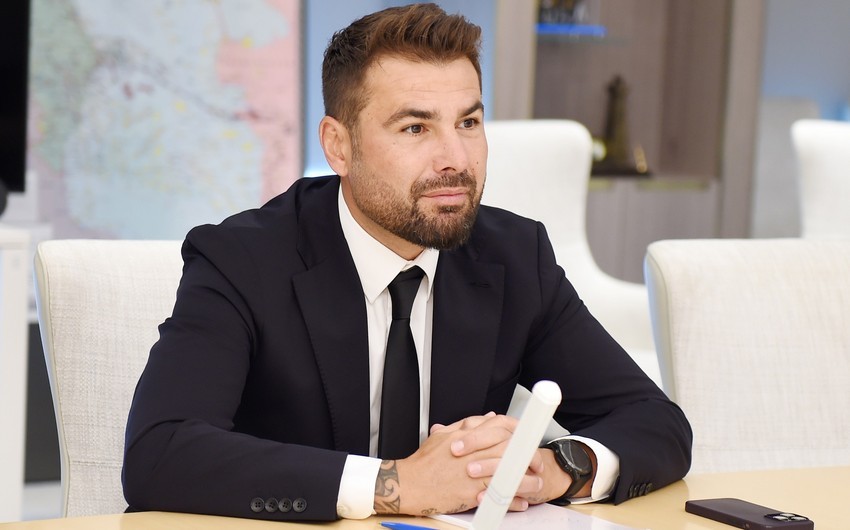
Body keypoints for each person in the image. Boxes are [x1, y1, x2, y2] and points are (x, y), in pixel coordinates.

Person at [122, 3, 692, 522]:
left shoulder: (516, 257)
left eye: (468, 123)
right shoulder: (241, 259)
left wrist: (553, 468)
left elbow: (656, 422)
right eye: (415, 128)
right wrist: (397, 484)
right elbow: (160, 452)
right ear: (338, 146)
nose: (455, 159)